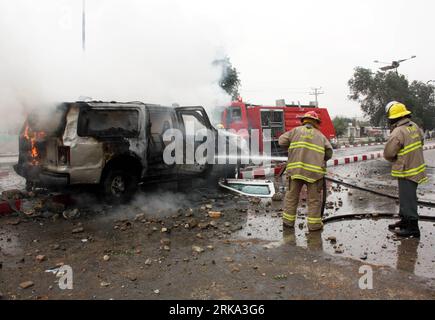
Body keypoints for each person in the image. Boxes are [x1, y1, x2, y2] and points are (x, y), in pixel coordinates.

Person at [278, 111, 333, 231]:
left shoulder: (295, 131)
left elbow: (281, 141)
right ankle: (313, 226)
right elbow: (329, 152)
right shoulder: (321, 136)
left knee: (291, 197)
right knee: (314, 200)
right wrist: (322, 158)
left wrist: (293, 146)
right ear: (316, 122)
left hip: (295, 172)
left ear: (304, 120)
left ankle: (288, 223)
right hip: (314, 175)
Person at [384, 101, 428, 238]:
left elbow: (389, 153)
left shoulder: (398, 132)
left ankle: (413, 228)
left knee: (408, 199)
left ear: (393, 117)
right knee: (405, 197)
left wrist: (396, 159)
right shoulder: (414, 126)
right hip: (416, 167)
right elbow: (421, 142)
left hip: (406, 170)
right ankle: (405, 221)